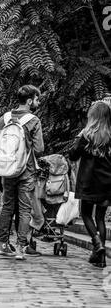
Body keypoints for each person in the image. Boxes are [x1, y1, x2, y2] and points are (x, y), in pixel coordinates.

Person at [0, 84, 44, 259]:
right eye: (37, 99)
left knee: (7, 206)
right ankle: (21, 246)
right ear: (30, 101)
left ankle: (2, 244)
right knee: (24, 208)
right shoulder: (33, 120)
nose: (38, 103)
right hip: (26, 170)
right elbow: (39, 149)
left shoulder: (5, 117)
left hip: (7, 169)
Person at [68, 100, 111, 268]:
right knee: (100, 217)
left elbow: (72, 155)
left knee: (86, 214)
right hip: (107, 182)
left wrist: (80, 137)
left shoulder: (86, 135)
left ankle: (97, 245)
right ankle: (100, 257)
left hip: (88, 181)